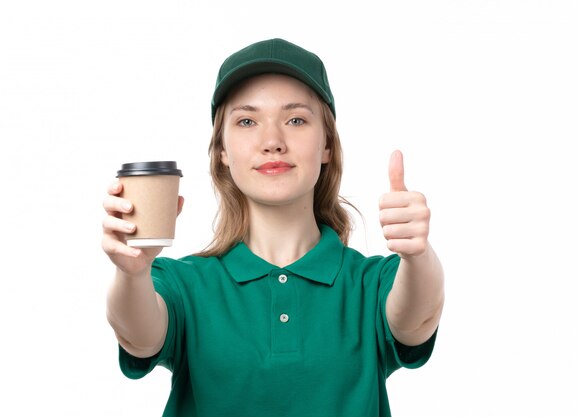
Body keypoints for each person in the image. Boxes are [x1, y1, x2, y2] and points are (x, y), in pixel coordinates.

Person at [102, 38, 444, 417]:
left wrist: (417, 255)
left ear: (327, 144)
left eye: (295, 119)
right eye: (247, 121)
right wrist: (131, 272)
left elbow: (417, 322)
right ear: (222, 151)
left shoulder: (373, 282)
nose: (272, 142)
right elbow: (138, 337)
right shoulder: (183, 284)